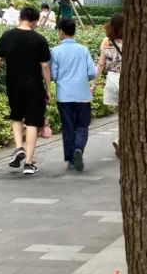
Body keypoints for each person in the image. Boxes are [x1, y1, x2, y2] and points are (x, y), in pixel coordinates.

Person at [0, 6, 52, 175]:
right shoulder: (39, 39)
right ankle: (28, 162)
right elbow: (45, 65)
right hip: (34, 86)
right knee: (33, 122)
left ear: (20, 17)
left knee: (16, 117)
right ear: (35, 20)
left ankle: (19, 147)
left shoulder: (7, 36)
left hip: (14, 85)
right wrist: (48, 88)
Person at [50, 18, 97, 172]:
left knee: (68, 127)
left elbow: (53, 74)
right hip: (83, 94)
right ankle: (79, 149)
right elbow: (92, 72)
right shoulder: (83, 50)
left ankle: (70, 160)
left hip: (64, 95)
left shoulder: (55, 51)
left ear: (61, 32)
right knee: (82, 126)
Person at [96, 13, 124, 157]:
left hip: (112, 79)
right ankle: (120, 139)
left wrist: (95, 83)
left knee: (121, 112)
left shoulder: (106, 41)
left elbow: (101, 63)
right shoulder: (131, 40)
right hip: (127, 79)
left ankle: (121, 138)